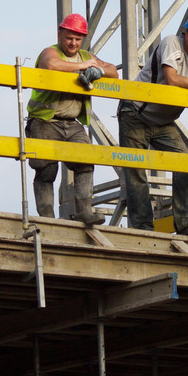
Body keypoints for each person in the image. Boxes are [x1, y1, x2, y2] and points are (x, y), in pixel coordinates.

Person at [117, 12, 188, 238]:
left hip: (163, 121)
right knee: (136, 170)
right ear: (187, 34)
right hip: (135, 113)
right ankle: (143, 227)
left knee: (185, 162)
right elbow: (172, 78)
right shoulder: (171, 42)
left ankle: (186, 223)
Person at [26, 13, 118, 223]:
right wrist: (84, 67)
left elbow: (113, 71)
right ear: (60, 34)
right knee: (46, 168)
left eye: (78, 39)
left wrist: (98, 70)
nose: (73, 43)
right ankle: (47, 218)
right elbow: (52, 65)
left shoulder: (86, 56)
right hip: (44, 120)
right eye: (69, 38)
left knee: (86, 160)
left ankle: (84, 211)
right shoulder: (51, 52)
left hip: (71, 123)